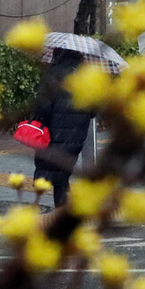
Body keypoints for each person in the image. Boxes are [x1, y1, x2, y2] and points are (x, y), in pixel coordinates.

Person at [32, 49, 93, 208]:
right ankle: (66, 204)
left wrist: (35, 120)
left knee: (57, 173)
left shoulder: (52, 75)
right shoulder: (86, 77)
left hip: (54, 132)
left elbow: (42, 107)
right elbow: (94, 110)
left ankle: (62, 208)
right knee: (64, 170)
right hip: (77, 134)